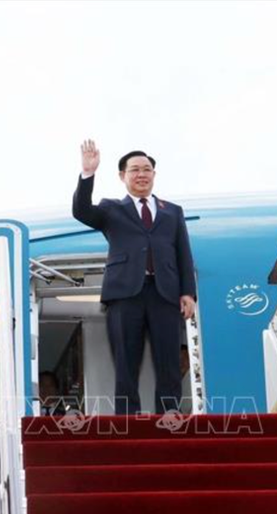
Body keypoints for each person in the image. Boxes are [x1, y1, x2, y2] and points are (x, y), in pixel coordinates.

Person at [72, 139, 197, 415]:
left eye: (147, 169)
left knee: (168, 359)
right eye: (135, 170)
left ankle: (169, 414)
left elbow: (183, 253)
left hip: (164, 292)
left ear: (154, 174)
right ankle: (127, 417)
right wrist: (87, 173)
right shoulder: (111, 208)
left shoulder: (172, 211)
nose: (142, 174)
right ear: (122, 176)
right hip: (125, 293)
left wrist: (188, 292)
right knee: (126, 359)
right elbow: (81, 211)